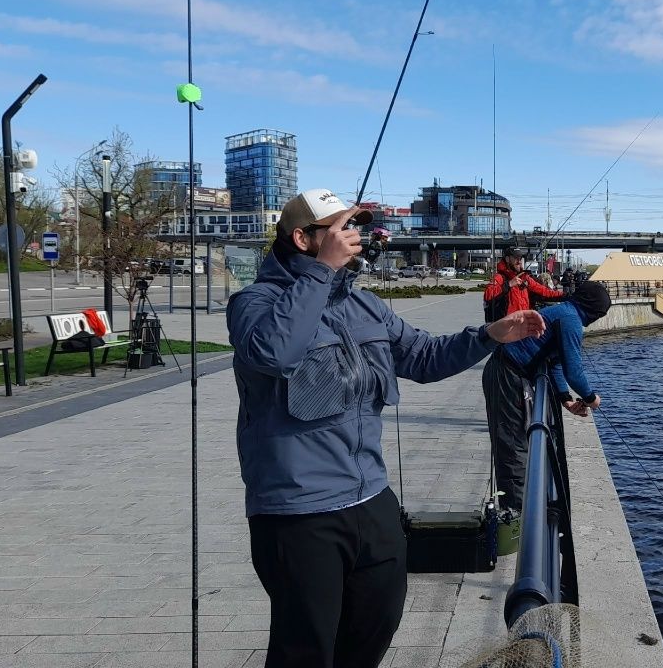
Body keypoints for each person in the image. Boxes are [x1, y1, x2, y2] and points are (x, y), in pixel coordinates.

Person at [227, 189, 545, 668]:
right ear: (302, 238)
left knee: (376, 622)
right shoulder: (255, 304)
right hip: (297, 511)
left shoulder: (365, 306)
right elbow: (274, 352)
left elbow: (423, 356)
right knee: (305, 647)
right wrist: (322, 272)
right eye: (339, 229)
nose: (352, 237)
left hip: (371, 499)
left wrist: (489, 335)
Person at [483, 280, 611, 513]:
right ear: (594, 311)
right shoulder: (571, 320)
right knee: (513, 447)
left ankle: (521, 509)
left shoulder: (566, 312)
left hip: (509, 372)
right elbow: (574, 371)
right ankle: (517, 517)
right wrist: (591, 398)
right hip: (507, 374)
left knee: (518, 442)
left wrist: (566, 399)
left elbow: (555, 364)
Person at [483, 246, 565, 320]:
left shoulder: (525, 278)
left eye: (520, 258)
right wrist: (509, 284)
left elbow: (543, 291)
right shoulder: (500, 277)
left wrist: (564, 295)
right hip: (507, 327)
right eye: (516, 258)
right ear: (507, 259)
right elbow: (488, 295)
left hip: (523, 324)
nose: (519, 261)